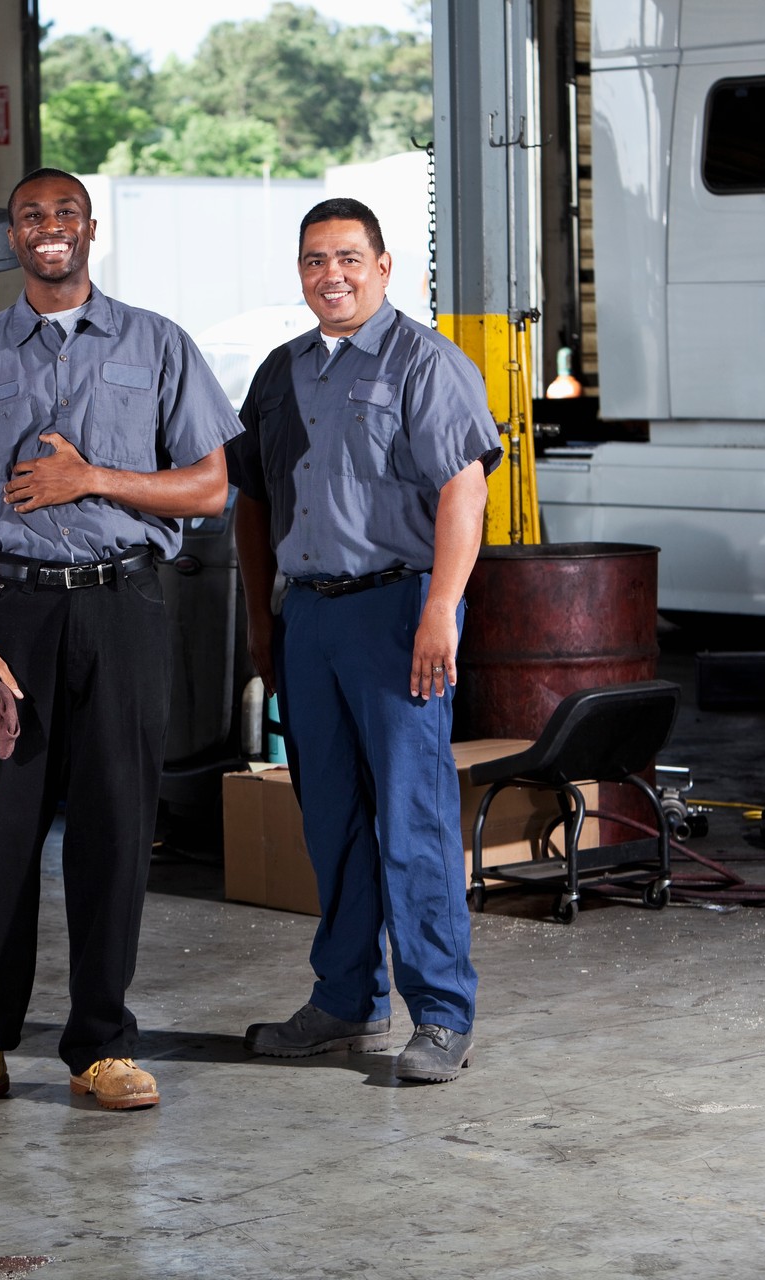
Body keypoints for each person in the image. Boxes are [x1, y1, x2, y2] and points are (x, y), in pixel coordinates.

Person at [0, 168, 240, 1114]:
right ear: (12, 238)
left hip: (124, 607)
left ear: (90, 228)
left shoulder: (159, 344)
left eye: (64, 213)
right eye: (31, 217)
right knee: (6, 829)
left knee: (114, 825)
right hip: (16, 614)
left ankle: (101, 1042)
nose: (49, 228)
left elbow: (210, 488)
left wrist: (93, 479)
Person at [231, 198, 502, 1084]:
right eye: (315, 260)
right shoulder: (281, 373)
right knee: (331, 820)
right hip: (309, 616)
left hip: (399, 613)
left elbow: (465, 490)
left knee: (412, 819)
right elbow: (254, 501)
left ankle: (442, 1016)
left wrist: (440, 611)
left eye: (349, 258)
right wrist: (262, 620)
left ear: (386, 268)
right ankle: (346, 1003)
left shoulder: (427, 363)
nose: (331, 275)